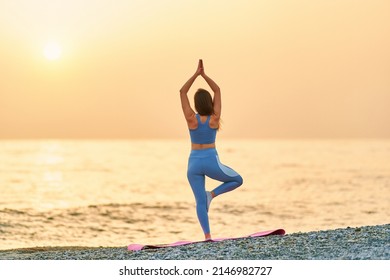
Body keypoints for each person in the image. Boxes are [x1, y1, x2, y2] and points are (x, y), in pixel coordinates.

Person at [179, 59, 243, 240]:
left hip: (193, 164)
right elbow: (217, 90)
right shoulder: (214, 119)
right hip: (210, 161)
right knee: (237, 180)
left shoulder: (191, 118)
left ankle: (207, 236)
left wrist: (195, 75)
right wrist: (204, 75)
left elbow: (182, 91)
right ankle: (212, 195)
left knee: (199, 202)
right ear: (209, 102)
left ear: (196, 104)